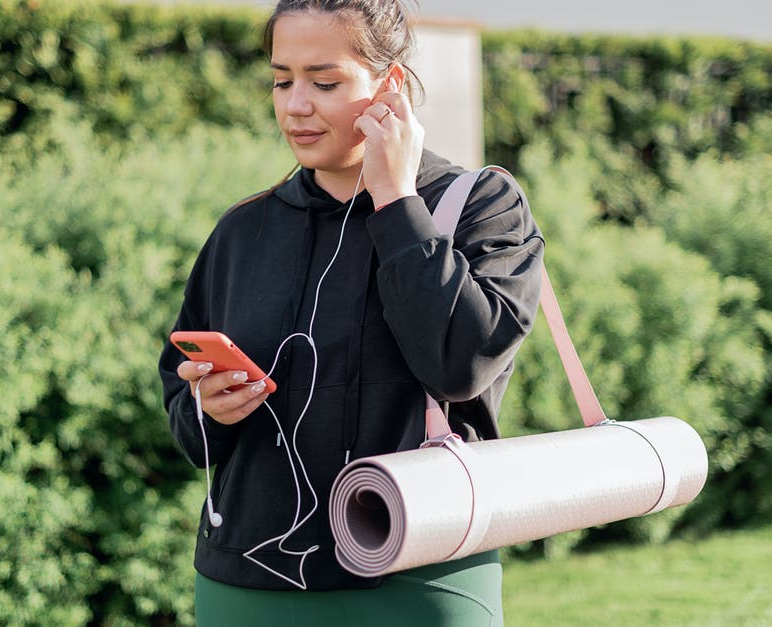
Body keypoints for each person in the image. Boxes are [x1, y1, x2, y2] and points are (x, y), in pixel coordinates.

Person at [157, 0, 544, 624]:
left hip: (422, 577)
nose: (295, 104)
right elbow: (185, 428)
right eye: (282, 80)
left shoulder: (481, 206)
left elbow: (460, 366)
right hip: (248, 588)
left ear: (389, 87)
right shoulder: (241, 231)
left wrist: (395, 199)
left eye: (325, 82)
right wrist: (209, 407)